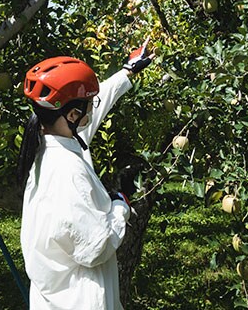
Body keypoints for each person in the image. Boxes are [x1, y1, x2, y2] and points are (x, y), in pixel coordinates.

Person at [17, 40, 154, 310]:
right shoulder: (68, 172)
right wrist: (120, 204)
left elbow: (97, 104)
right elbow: (96, 248)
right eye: (88, 103)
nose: (94, 106)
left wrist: (127, 71)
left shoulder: (48, 145)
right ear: (73, 114)